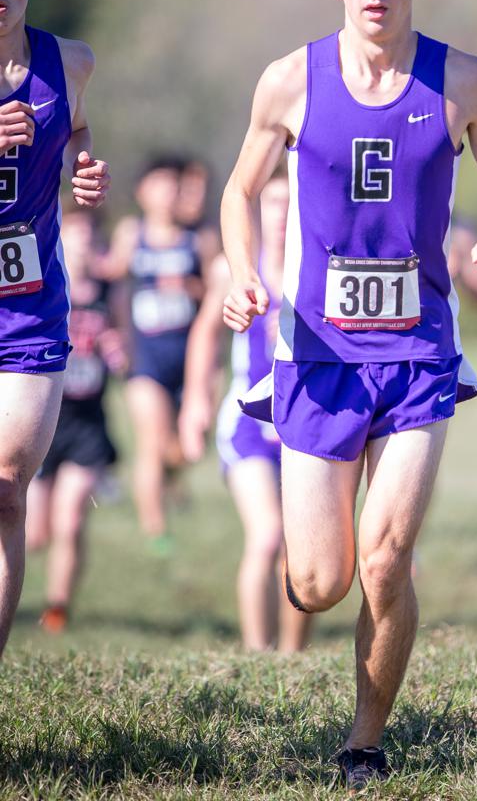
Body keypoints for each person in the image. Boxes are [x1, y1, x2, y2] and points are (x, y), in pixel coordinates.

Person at [220, 0, 477, 787]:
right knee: (320, 582)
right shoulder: (289, 81)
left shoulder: (462, 83)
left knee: (386, 558)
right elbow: (239, 191)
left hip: (417, 353)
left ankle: (365, 743)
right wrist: (244, 270)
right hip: (317, 354)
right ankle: (313, 578)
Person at [0, 0, 110, 658]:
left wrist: (83, 169)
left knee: (8, 488)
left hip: (30, 306)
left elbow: (72, 128)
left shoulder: (69, 61)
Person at [179, 170, 311, 652]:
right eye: (273, 202)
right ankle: (258, 654)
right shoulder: (232, 269)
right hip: (248, 425)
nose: (281, 214)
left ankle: (293, 657)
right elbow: (205, 333)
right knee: (268, 534)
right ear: (257, 208)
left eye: (292, 202)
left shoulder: (317, 268)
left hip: (307, 425)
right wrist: (195, 400)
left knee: (306, 550)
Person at [106, 156, 214, 552]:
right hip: (145, 358)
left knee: (186, 448)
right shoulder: (131, 233)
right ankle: (156, 530)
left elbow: (215, 293)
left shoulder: (198, 238)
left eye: (174, 185)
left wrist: (189, 287)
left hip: (190, 359)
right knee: (151, 442)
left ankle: (172, 475)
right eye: (160, 184)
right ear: (143, 192)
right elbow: (110, 280)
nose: (169, 192)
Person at [25, 209, 125, 632]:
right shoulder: (45, 283)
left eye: (88, 237)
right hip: (41, 416)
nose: (82, 245)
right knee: (35, 534)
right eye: (73, 236)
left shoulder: (108, 291)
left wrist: (114, 347)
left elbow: (127, 357)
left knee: (71, 521)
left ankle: (57, 609)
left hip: (87, 424)